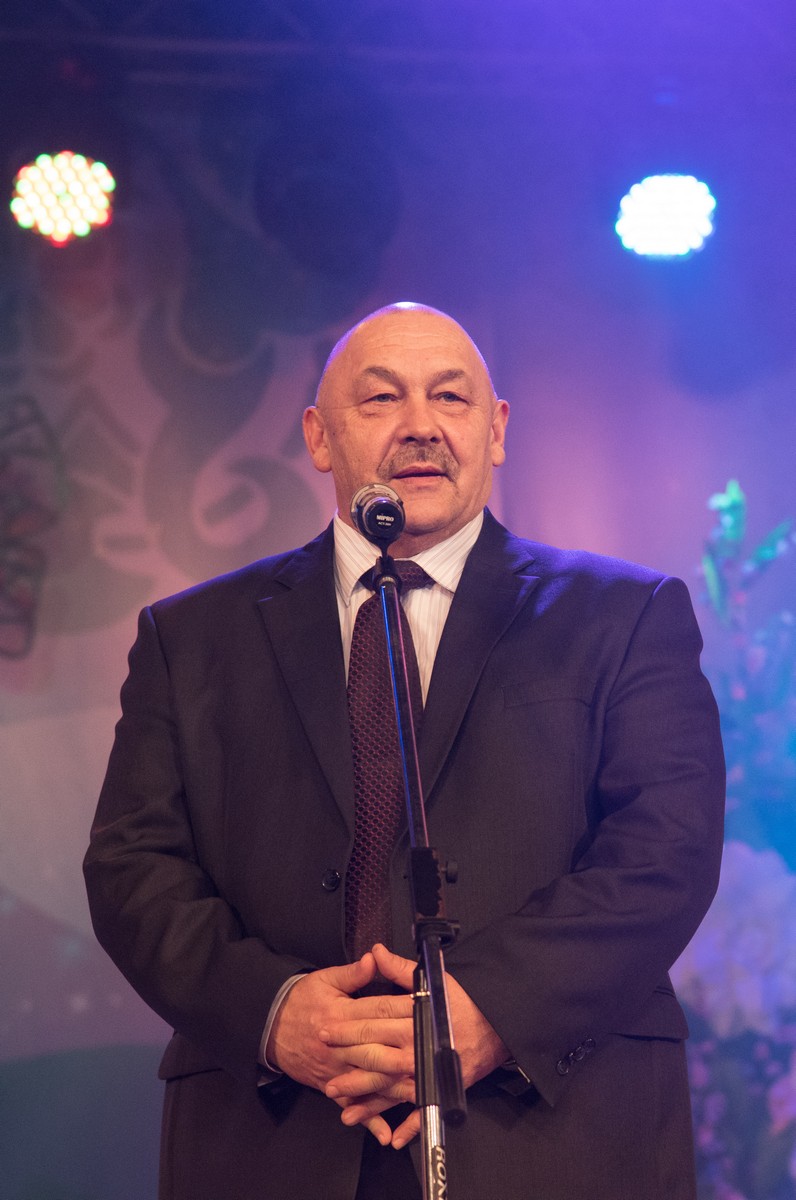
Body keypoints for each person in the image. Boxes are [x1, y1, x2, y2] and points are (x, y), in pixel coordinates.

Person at [84, 302, 725, 1200]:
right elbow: (132, 868)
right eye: (381, 398)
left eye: (451, 398)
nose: (421, 425)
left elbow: (665, 852)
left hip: (550, 1134)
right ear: (320, 436)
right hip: (275, 1136)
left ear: (496, 431)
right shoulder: (190, 638)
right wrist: (275, 1015)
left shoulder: (624, 615)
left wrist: (489, 1011)